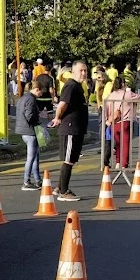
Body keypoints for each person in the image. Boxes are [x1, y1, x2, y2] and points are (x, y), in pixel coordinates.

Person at [46, 60, 90, 202]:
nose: (83, 73)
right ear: (73, 72)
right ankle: (64, 191)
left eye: (85, 71)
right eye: (80, 71)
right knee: (68, 160)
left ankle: (59, 187)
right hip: (70, 127)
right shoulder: (71, 85)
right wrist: (57, 118)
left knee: (71, 159)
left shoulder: (78, 86)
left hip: (77, 128)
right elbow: (62, 104)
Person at [104, 77, 140, 170]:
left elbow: (106, 108)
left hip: (114, 123)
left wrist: (107, 120)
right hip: (125, 121)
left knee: (118, 144)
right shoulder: (127, 94)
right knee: (125, 144)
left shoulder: (111, 95)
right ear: (123, 84)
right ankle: (124, 164)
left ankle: (117, 162)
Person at [15, 79, 44, 191]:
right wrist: (38, 116)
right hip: (30, 131)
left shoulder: (23, 98)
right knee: (31, 158)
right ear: (36, 89)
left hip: (23, 131)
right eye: (40, 92)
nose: (41, 94)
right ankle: (26, 181)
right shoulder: (31, 100)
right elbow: (29, 116)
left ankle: (38, 180)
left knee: (35, 156)